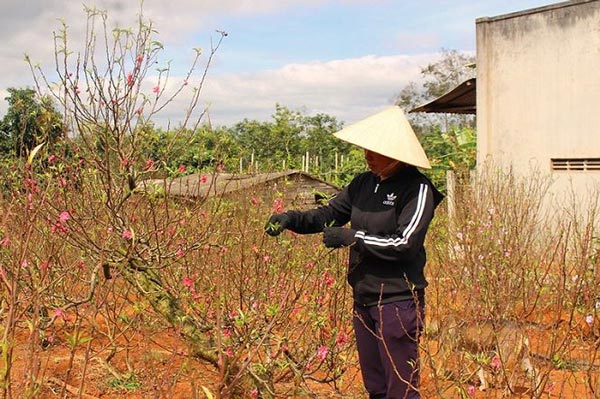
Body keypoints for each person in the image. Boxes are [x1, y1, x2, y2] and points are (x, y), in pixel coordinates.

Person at [265, 106, 443, 399]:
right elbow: (328, 214)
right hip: (364, 298)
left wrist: (353, 238)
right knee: (376, 388)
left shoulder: (417, 189)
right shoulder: (363, 183)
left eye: (375, 150)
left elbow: (404, 244)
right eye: (366, 149)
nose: (367, 156)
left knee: (401, 389)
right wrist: (291, 219)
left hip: (397, 301)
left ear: (396, 153)